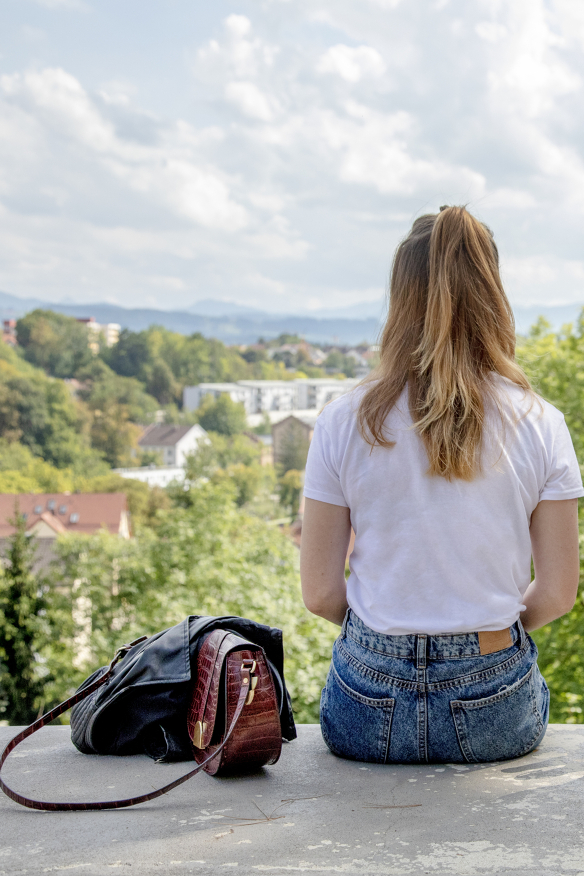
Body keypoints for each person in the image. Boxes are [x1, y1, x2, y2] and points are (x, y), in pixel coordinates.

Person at [300, 206, 583, 764]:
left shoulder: (344, 420)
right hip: (493, 701)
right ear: (493, 294)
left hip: (367, 699)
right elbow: (555, 594)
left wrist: (390, 642)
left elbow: (321, 594)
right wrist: (482, 635)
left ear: (400, 298)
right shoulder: (540, 422)